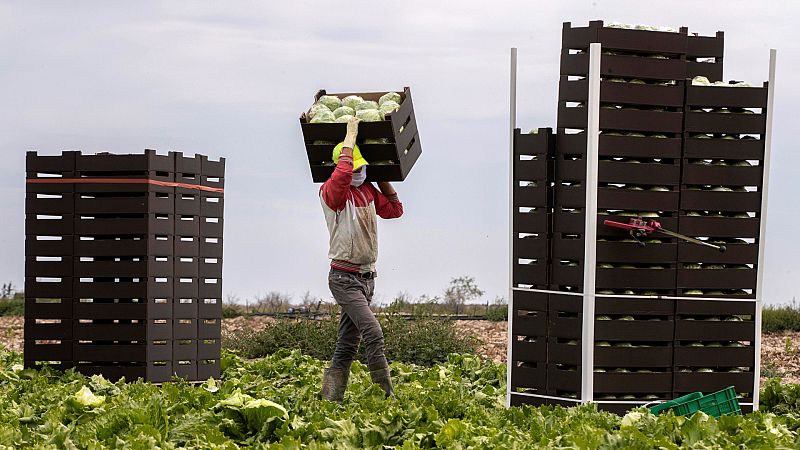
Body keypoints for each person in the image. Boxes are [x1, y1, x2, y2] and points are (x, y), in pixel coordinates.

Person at [318, 117, 403, 402]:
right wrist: (349, 138)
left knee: (347, 344)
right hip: (343, 278)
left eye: (362, 167)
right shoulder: (332, 194)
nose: (358, 172)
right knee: (373, 332)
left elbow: (394, 210)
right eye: (355, 167)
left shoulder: (367, 191)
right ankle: (386, 399)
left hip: (367, 279)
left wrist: (382, 176)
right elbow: (341, 175)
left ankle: (330, 399)